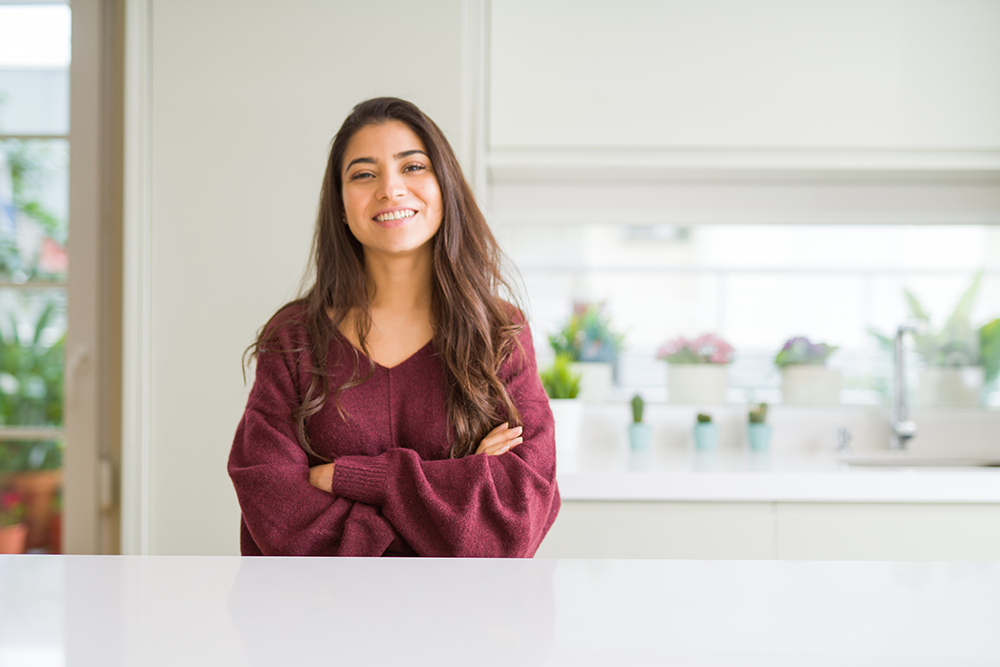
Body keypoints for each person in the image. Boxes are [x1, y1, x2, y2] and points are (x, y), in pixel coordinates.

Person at [227, 97, 560, 557]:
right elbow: (277, 515)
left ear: (445, 187)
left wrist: (351, 478)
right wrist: (459, 486)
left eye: (413, 167)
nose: (390, 189)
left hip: (469, 624)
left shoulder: (498, 332)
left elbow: (516, 519)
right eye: (364, 174)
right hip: (318, 622)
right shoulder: (293, 340)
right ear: (341, 207)